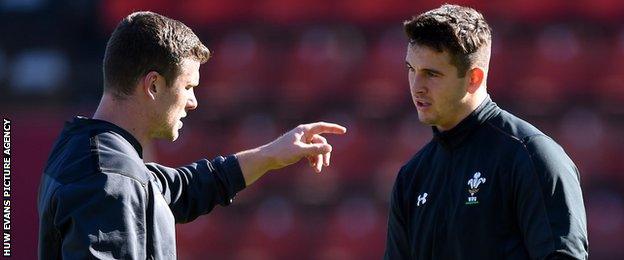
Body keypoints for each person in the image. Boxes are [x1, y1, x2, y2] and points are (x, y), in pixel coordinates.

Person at [37, 11, 346, 259]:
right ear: (154, 85)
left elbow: (186, 188)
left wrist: (270, 156)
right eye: (187, 87)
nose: (193, 101)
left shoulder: (86, 148)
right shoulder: (110, 179)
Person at [384, 4, 588, 259]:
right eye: (411, 69)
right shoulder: (412, 177)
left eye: (431, 74)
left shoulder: (531, 156)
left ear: (474, 79)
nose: (416, 86)